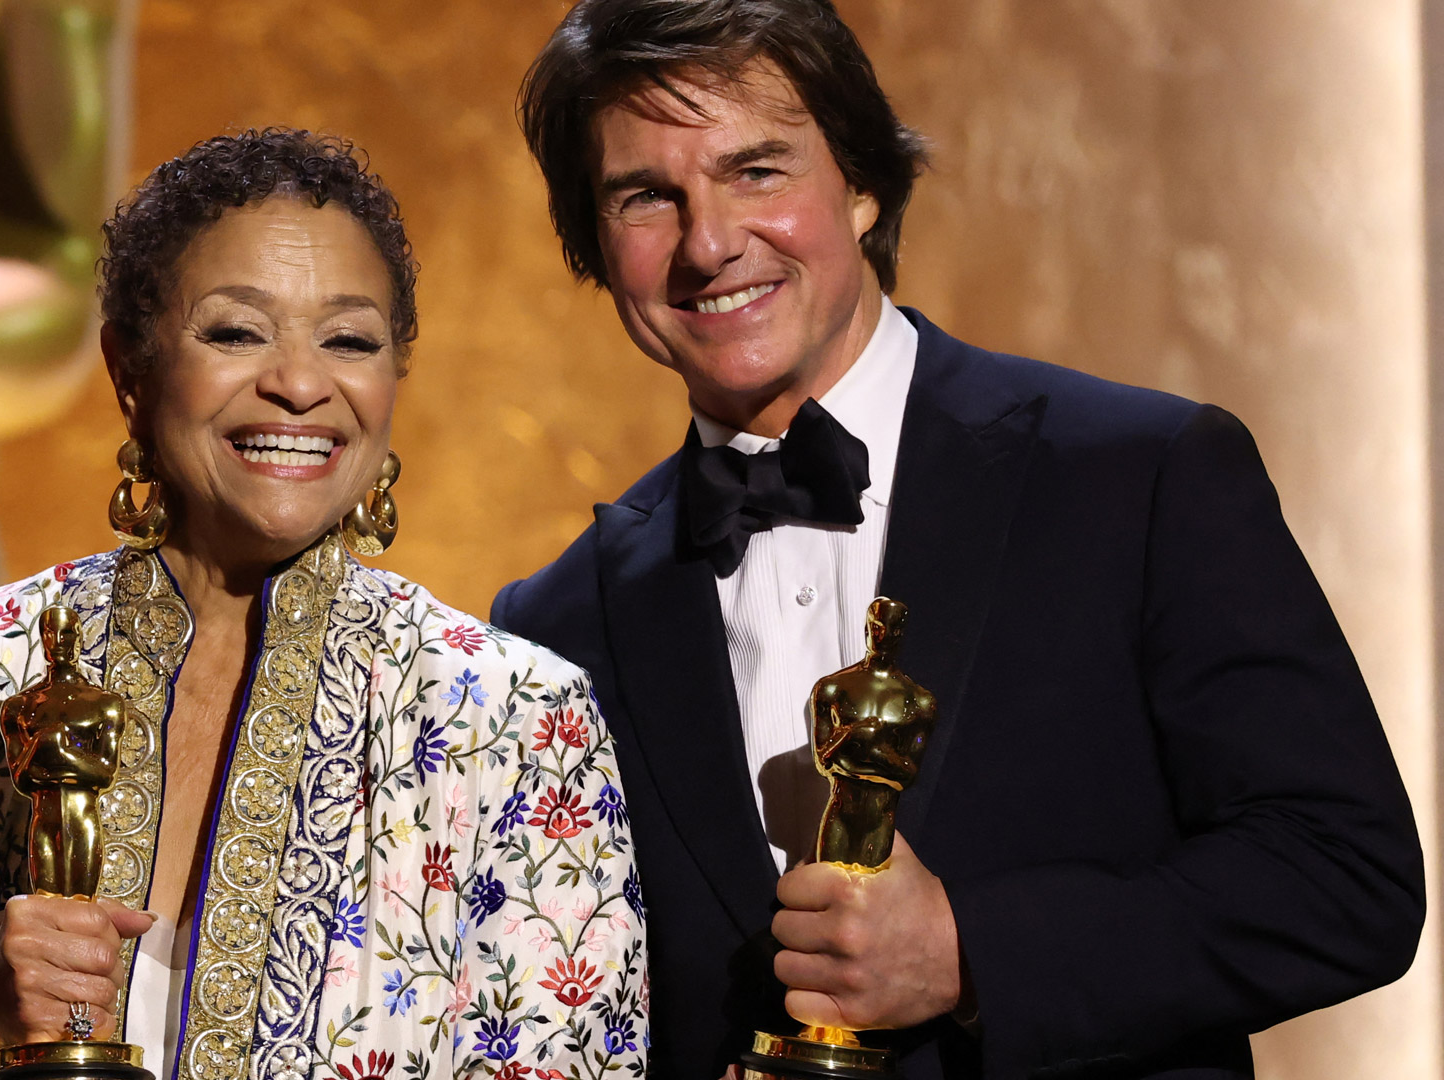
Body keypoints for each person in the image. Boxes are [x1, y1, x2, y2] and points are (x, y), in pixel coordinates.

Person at [492, 2, 1425, 1078]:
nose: (708, 243)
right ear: (594, 245)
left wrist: (971, 953)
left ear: (864, 183)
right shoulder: (557, 623)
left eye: (758, 170)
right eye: (647, 196)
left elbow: (1346, 879)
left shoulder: (1141, 476)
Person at [0, 129, 649, 1080]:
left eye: (349, 339)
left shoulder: (516, 720)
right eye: (235, 331)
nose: (298, 383)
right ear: (130, 372)